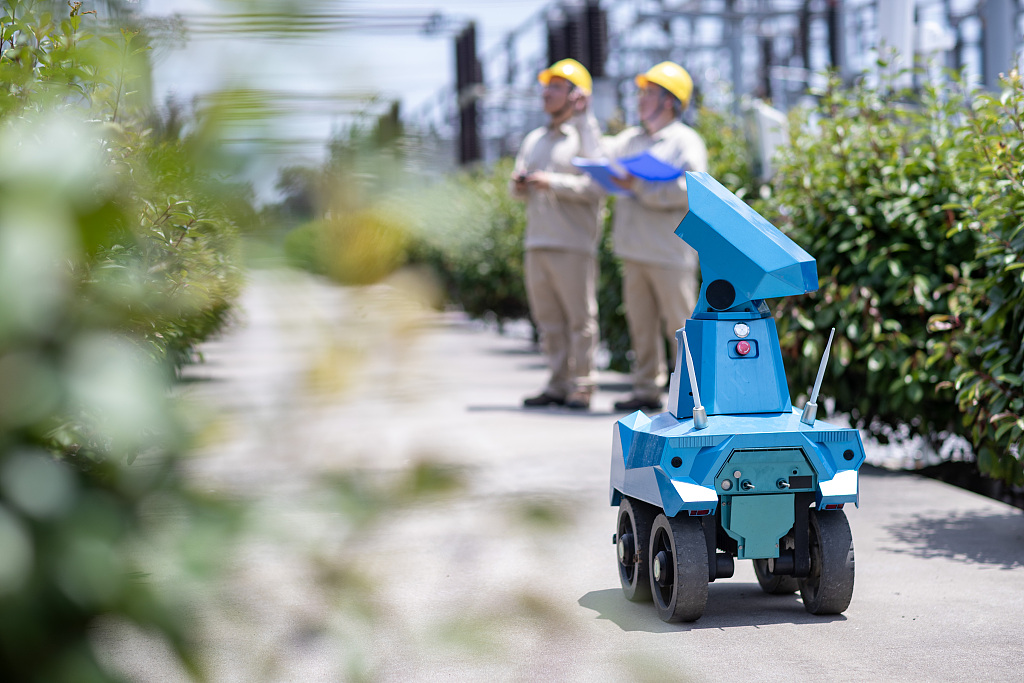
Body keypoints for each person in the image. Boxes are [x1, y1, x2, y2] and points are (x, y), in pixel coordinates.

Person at [603, 61, 709, 412]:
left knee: (680, 326)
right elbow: (603, 160)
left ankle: (695, 394)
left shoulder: (684, 141)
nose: (640, 99)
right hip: (634, 249)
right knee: (641, 324)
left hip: (670, 251)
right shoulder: (630, 140)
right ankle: (646, 388)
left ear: (669, 101)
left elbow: (690, 188)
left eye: (648, 93)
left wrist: (642, 188)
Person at [509, 58, 604, 410]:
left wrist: (552, 182)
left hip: (573, 243)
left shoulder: (585, 136)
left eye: (556, 86)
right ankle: (557, 383)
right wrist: (521, 182)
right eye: (546, 86)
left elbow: (598, 186)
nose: (546, 93)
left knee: (579, 319)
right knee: (548, 320)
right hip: (538, 241)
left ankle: (583, 385)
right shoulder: (535, 139)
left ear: (576, 95)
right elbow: (515, 187)